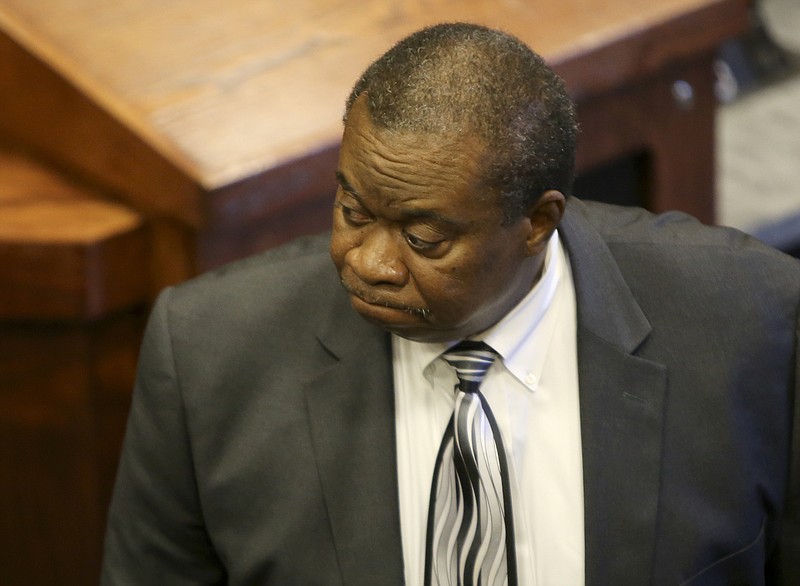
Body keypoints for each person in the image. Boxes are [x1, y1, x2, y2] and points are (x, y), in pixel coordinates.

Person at [101, 22, 800, 585]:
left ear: (536, 223)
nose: (368, 262)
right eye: (352, 209)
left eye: (423, 237)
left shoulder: (750, 322)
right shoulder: (206, 354)